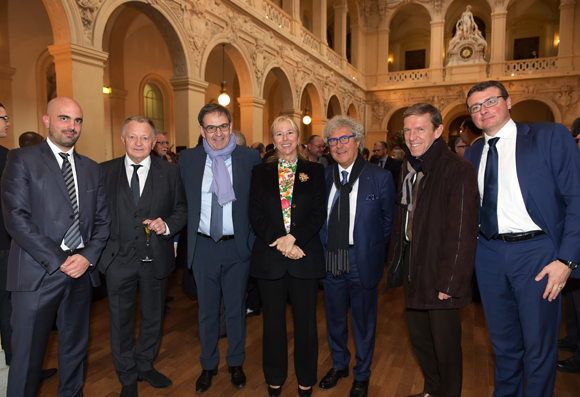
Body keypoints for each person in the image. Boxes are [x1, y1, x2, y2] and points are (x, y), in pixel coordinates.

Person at [464, 81, 580, 396]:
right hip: (487, 255)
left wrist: (567, 260)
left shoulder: (550, 136)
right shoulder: (473, 152)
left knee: (539, 345)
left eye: (490, 101)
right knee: (503, 344)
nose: (483, 110)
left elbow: (577, 199)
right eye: (475, 107)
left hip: (538, 254)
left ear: (509, 101)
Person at [1, 97, 110, 396]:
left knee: (74, 355)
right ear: (47, 120)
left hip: (80, 275)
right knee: (27, 363)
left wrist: (86, 258)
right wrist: (62, 259)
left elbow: (102, 222)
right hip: (37, 275)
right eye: (64, 118)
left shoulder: (91, 168)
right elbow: (16, 219)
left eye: (77, 121)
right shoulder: (21, 159)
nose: (71, 126)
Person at [386, 103, 479, 397]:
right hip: (414, 264)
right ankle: (432, 390)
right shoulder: (409, 166)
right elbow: (404, 217)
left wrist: (449, 283)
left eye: (420, 129)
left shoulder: (457, 169)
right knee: (421, 338)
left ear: (438, 131)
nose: (412, 136)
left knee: (446, 346)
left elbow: (462, 232)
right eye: (408, 130)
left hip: (441, 271)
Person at [98, 117, 187, 397]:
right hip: (117, 260)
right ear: (123, 139)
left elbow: (182, 209)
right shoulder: (104, 172)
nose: (139, 143)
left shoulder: (170, 172)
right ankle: (126, 375)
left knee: (153, 316)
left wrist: (168, 225)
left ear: (154, 141)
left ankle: (146, 365)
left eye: (145, 138)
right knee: (121, 320)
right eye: (133, 137)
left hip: (156, 258)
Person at [179, 103, 261, 393]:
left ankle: (236, 363)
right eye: (211, 127)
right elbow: (179, 204)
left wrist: (250, 242)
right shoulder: (187, 159)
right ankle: (208, 365)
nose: (218, 133)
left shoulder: (250, 158)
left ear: (230, 126)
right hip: (202, 248)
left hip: (236, 248)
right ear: (201, 129)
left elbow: (258, 204)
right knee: (207, 311)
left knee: (237, 309)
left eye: (223, 126)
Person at [249, 115, 326, 397]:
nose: (285, 138)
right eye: (279, 133)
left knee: (306, 325)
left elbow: (319, 212)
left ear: (298, 136)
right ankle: (275, 379)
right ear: (273, 139)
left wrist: (294, 238)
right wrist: (281, 242)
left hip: (303, 255)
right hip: (271, 258)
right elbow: (255, 213)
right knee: (272, 326)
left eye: (290, 132)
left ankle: (306, 381)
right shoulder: (260, 173)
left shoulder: (314, 172)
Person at [319, 116, 395, 397]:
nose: (338, 146)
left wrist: (368, 247)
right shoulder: (324, 176)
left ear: (357, 141)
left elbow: (388, 223)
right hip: (330, 261)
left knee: (363, 322)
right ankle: (340, 364)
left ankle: (362, 373)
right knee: (335, 318)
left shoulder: (380, 177)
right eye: (333, 140)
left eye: (344, 139)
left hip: (361, 261)